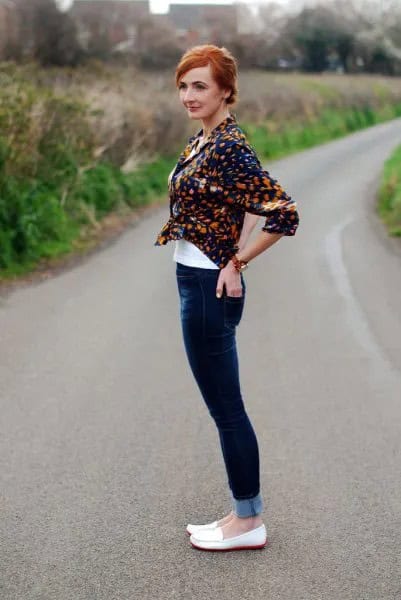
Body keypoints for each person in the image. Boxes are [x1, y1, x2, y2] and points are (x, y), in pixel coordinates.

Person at [154, 44, 299, 552]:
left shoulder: (229, 145)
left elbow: (283, 211)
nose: (187, 95)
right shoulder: (205, 140)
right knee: (224, 406)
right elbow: (244, 202)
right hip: (194, 279)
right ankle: (241, 513)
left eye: (200, 86)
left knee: (227, 410)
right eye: (183, 85)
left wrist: (237, 261)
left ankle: (249, 521)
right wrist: (233, 250)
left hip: (206, 287)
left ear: (225, 91)